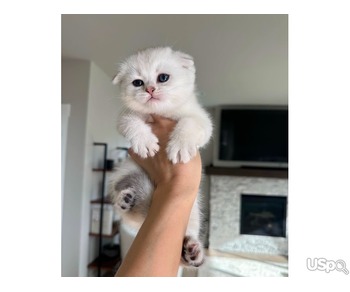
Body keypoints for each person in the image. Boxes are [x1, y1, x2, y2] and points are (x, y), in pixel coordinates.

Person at [115, 115, 202, 277]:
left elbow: (203, 130)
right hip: (145, 181)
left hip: (145, 191)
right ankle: (185, 243)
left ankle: (185, 241)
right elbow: (125, 122)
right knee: (185, 203)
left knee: (188, 208)